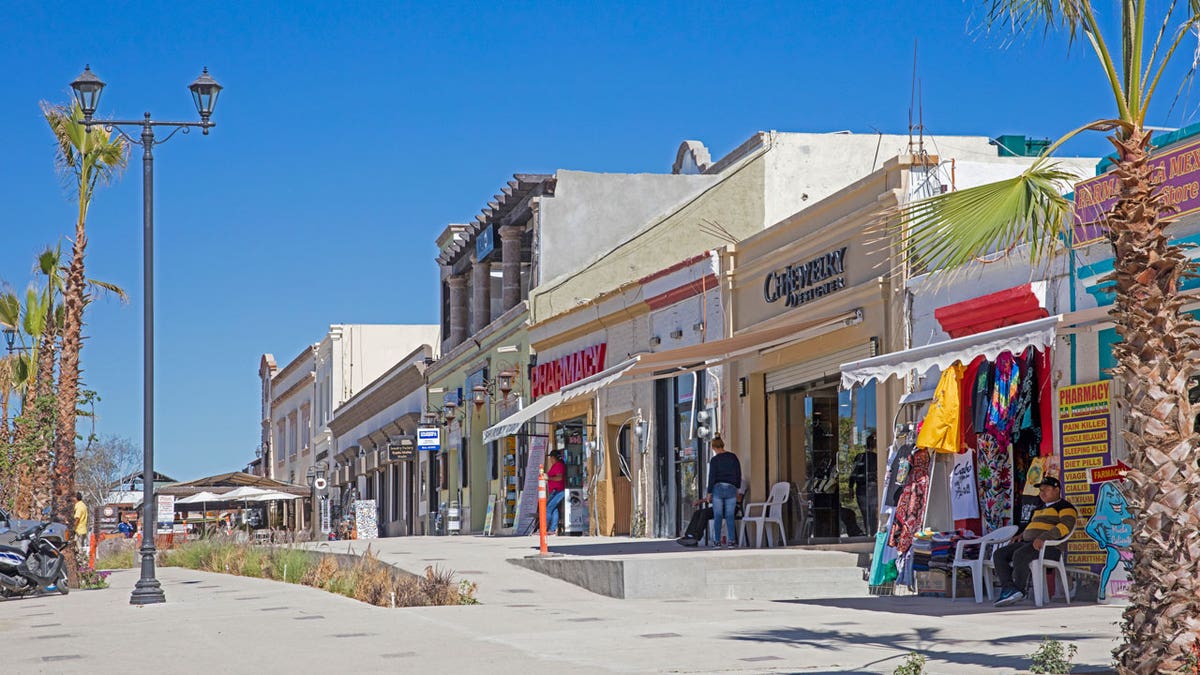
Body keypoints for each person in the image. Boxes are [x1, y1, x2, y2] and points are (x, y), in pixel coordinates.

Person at [993, 475, 1077, 606]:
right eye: (1040, 490)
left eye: (1045, 489)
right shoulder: (1038, 508)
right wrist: (1021, 535)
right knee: (999, 554)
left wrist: (1044, 537)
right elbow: (1033, 527)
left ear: (1056, 490)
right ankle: (1009, 588)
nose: (1041, 493)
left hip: (1049, 547)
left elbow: (1065, 527)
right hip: (1029, 543)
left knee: (1020, 554)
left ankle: (1019, 589)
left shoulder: (1065, 506)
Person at [676, 478, 748, 547]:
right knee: (698, 513)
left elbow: (739, 499)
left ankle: (696, 537)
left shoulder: (741, 482)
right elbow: (711, 499)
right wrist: (701, 501)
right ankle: (689, 536)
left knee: (705, 513)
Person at [704, 435, 742, 549]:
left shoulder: (714, 460)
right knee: (730, 515)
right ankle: (731, 541)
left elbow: (712, 477)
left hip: (718, 489)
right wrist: (737, 488)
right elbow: (738, 473)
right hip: (731, 488)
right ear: (722, 445)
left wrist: (709, 492)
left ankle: (717, 541)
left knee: (718, 516)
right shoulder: (733, 457)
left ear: (713, 447)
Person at [544, 450, 566, 534]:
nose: (550, 459)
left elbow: (559, 478)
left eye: (551, 458)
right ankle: (553, 529)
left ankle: (545, 528)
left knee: (548, 508)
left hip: (559, 490)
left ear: (553, 458)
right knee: (554, 509)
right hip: (555, 491)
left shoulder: (558, 465)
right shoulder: (555, 465)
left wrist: (548, 478)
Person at [71, 491, 89, 561]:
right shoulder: (83, 505)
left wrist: (72, 528)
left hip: (78, 530)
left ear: (75, 498)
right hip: (82, 529)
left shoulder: (79, 506)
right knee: (78, 548)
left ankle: (82, 563)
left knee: (79, 548)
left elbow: (77, 518)